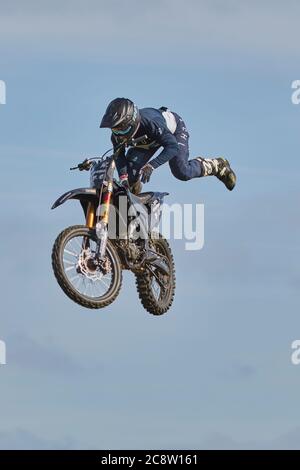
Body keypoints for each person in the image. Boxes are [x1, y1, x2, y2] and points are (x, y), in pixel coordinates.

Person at [100, 97, 236, 193]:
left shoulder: (152, 123)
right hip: (147, 141)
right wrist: (123, 177)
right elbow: (119, 156)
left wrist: (152, 165)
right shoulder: (117, 135)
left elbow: (172, 147)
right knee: (128, 179)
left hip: (173, 131)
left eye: (121, 129)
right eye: (115, 129)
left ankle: (217, 165)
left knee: (181, 171)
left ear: (132, 121)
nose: (119, 134)